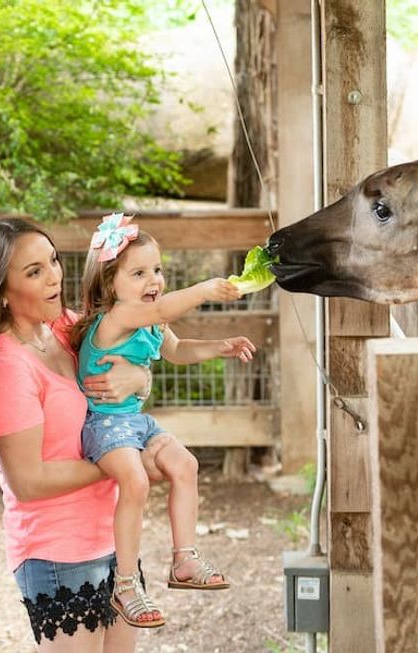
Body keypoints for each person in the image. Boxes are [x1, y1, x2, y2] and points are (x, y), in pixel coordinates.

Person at [0, 218, 152, 652]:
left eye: (52, 261)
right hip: (56, 552)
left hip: (111, 536)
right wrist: (116, 465)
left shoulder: (66, 327)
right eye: (34, 272)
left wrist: (139, 377)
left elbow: (124, 385)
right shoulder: (3, 367)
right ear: (0, 293)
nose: (54, 277)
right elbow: (28, 482)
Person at [69, 213, 255, 628]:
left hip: (134, 421)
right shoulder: (119, 317)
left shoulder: (153, 320)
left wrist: (221, 346)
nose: (153, 280)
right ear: (109, 284)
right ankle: (126, 583)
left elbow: (177, 350)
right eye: (138, 273)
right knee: (134, 482)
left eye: (157, 270)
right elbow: (170, 306)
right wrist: (205, 288)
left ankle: (184, 560)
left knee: (186, 465)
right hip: (103, 424)